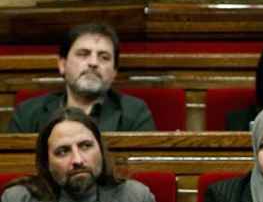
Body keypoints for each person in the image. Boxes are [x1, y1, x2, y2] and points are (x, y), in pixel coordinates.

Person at [0, 108, 164, 202]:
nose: (78, 160)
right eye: (63, 151)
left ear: (100, 149)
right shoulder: (18, 201)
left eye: (86, 146)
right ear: (46, 162)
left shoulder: (135, 197)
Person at [9, 23, 155, 133]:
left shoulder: (135, 113)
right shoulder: (27, 114)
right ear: (62, 65)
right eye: (83, 54)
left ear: (114, 72)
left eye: (104, 57)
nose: (93, 63)